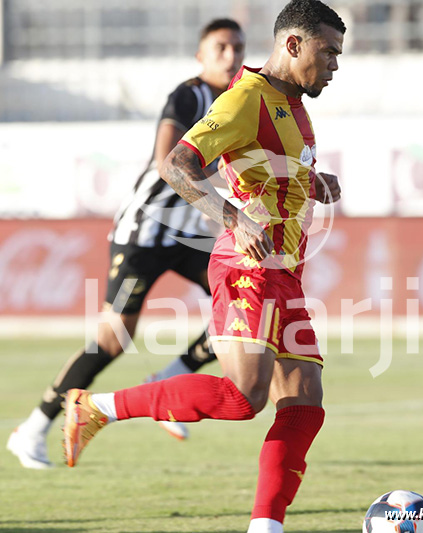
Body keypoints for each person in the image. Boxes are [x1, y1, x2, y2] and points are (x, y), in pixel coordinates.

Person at [63, 1, 345, 532]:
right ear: (292, 44)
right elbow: (178, 165)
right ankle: (97, 405)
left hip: (285, 274)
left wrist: (316, 183)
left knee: (305, 401)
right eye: (327, 51)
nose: (334, 65)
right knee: (244, 397)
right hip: (247, 266)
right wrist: (235, 219)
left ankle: (267, 526)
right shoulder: (244, 99)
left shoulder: (296, 107)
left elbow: (269, 172)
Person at [7, 18, 246, 469]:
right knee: (112, 339)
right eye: (220, 47)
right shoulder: (190, 94)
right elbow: (165, 163)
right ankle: (33, 428)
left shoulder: (238, 102)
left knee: (237, 310)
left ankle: (171, 377)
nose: (230, 55)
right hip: (145, 231)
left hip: (189, 230)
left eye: (237, 47)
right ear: (201, 55)